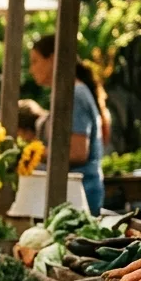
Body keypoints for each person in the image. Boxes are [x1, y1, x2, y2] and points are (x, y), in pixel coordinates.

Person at [29, 35, 104, 214]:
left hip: (80, 196)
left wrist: (36, 153)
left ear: (53, 59)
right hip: (71, 197)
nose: (31, 69)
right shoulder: (67, 92)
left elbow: (78, 152)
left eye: (35, 61)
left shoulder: (75, 94)